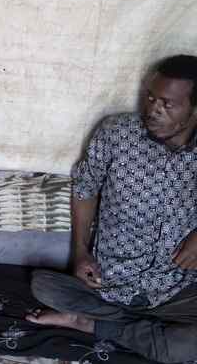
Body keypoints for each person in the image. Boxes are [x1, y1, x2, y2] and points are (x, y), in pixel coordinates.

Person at [26, 55, 197, 363]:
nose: (152, 110)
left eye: (167, 104)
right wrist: (80, 253)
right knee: (44, 286)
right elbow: (85, 188)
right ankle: (138, 329)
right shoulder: (117, 133)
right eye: (150, 97)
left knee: (187, 349)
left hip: (177, 286)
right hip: (111, 283)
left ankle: (90, 323)